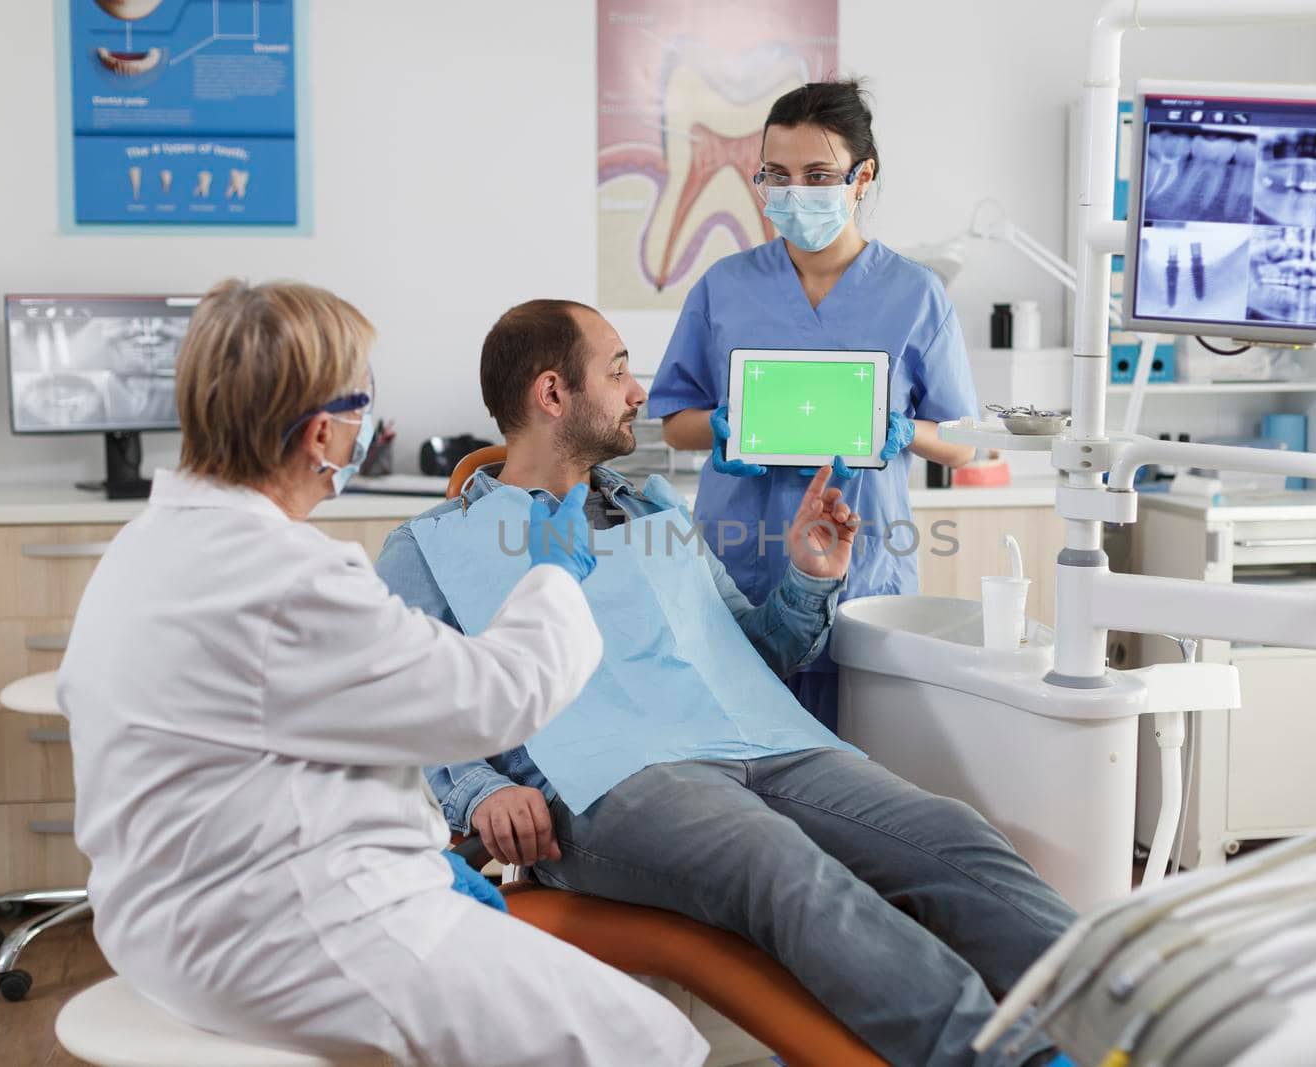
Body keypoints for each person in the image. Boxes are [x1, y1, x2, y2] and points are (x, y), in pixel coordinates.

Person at [376, 299, 1074, 1067]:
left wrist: (811, 575)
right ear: (552, 393)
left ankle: (1144, 1016)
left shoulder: (656, 506)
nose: (638, 391)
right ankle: (1023, 1061)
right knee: (779, 865)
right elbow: (411, 717)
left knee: (955, 837)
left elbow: (753, 649)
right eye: (617, 370)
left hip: (766, 742)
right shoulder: (431, 546)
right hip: (610, 778)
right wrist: (479, 790)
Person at [58, 280, 707, 1067]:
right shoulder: (290, 577)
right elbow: (496, 699)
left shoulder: (143, 548)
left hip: (156, 917)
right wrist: (557, 576)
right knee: (652, 1041)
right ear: (321, 432)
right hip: (290, 932)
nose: (368, 426)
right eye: (363, 403)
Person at [648, 78, 981, 730]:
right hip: (741, 565)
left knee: (858, 782)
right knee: (742, 789)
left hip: (860, 565)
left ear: (862, 178)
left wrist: (902, 429)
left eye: (819, 174)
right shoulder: (725, 287)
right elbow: (674, 422)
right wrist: (720, 428)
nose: (795, 192)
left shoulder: (915, 296)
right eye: (777, 173)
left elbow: (962, 440)